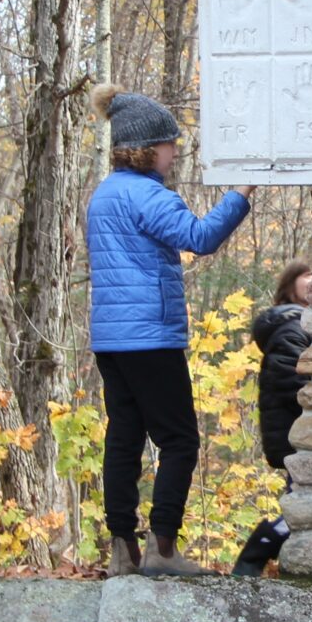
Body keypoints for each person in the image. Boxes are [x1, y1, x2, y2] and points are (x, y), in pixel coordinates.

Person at [87, 84, 255, 577]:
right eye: (169, 143)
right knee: (179, 440)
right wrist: (241, 192)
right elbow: (200, 238)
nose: (174, 151)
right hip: (150, 338)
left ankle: (122, 549)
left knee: (123, 439)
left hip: (111, 340)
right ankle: (163, 549)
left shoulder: (104, 195)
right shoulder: (146, 195)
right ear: (146, 148)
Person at [231, 261, 312, 577]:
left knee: (302, 500)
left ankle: (256, 558)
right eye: (306, 276)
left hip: (299, 430)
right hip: (297, 430)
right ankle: (256, 553)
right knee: (302, 505)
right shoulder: (292, 327)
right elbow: (287, 377)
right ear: (289, 286)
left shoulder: (306, 324)